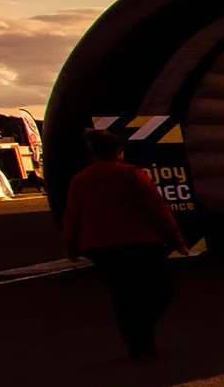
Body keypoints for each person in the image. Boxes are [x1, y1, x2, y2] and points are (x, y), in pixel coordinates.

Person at [61, 127, 187, 358]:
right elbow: (157, 210)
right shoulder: (132, 175)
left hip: (101, 247)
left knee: (122, 293)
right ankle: (142, 331)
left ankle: (134, 339)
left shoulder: (80, 180)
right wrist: (176, 240)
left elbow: (72, 216)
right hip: (140, 243)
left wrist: (72, 247)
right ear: (119, 151)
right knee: (160, 291)